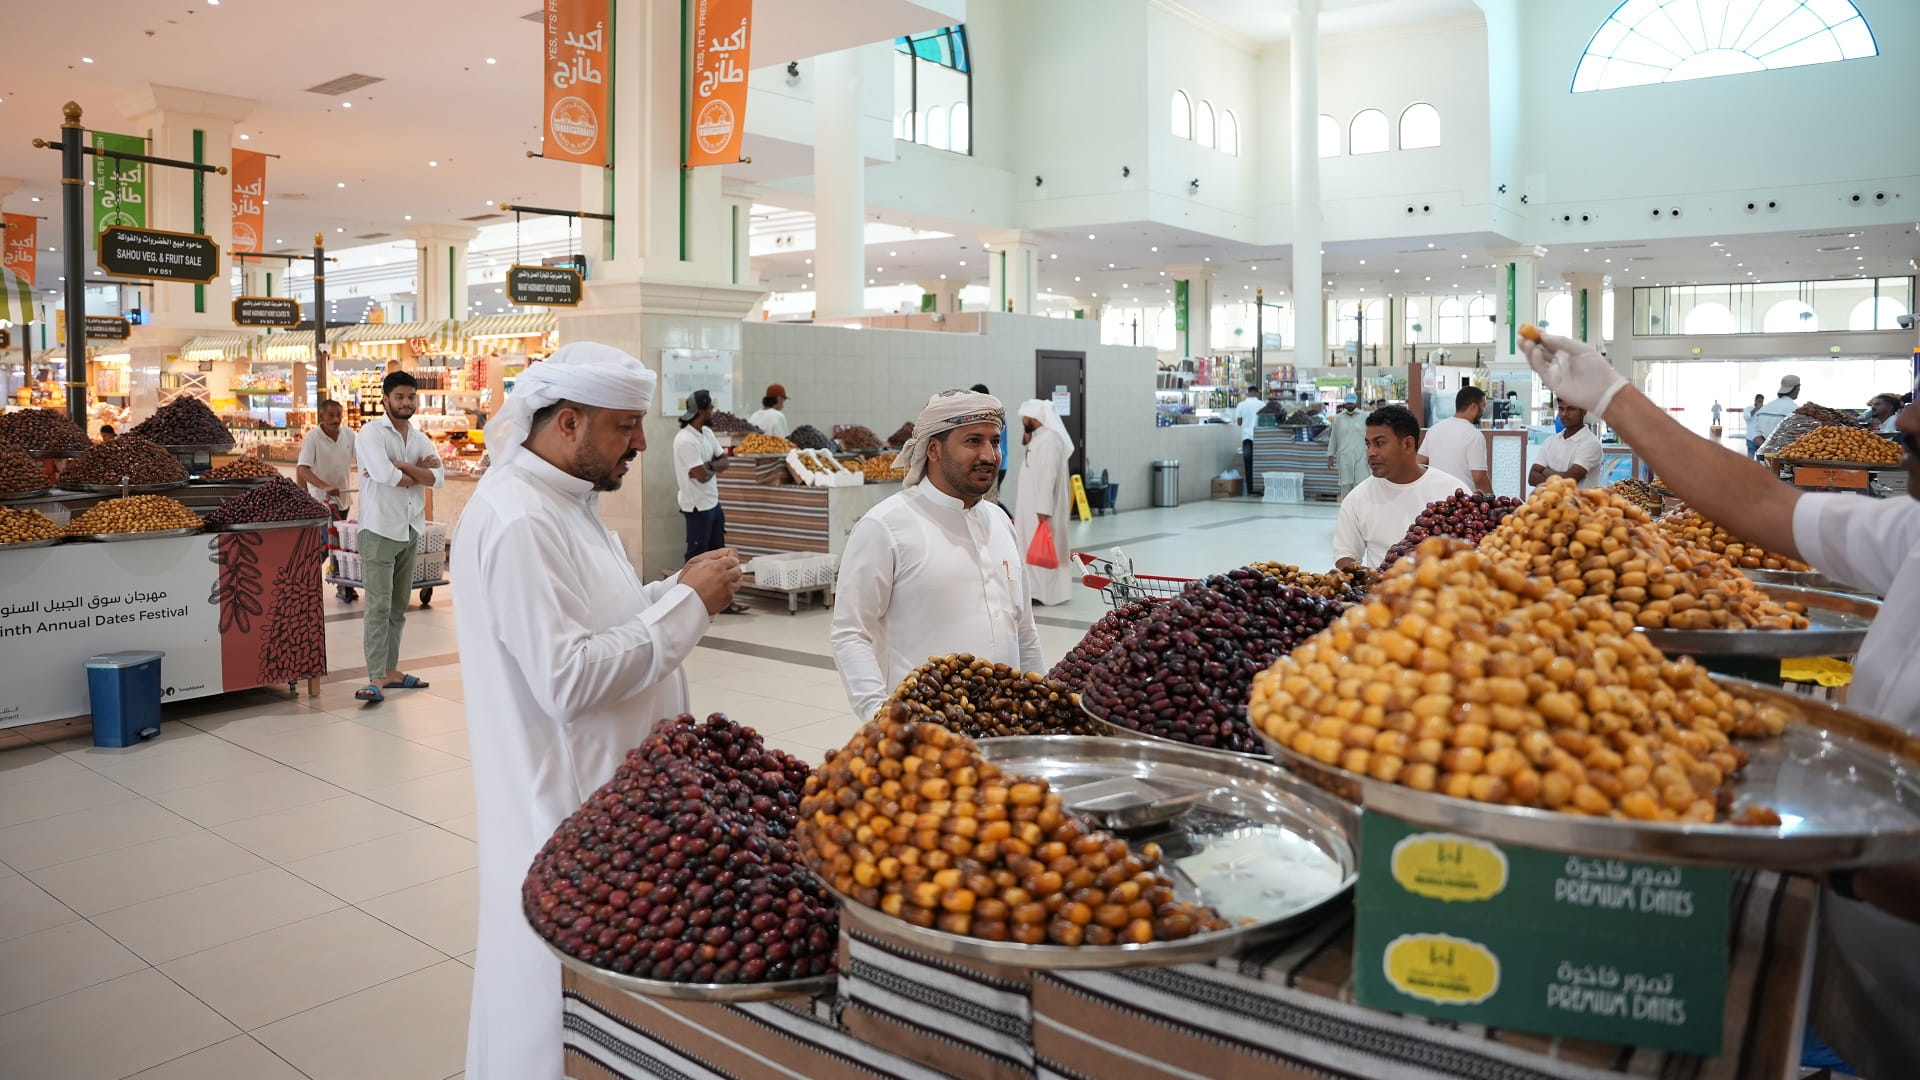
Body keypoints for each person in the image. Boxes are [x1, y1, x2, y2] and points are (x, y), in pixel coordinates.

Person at [1521, 328, 1920, 1080]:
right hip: (1866, 991)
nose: (1903, 423)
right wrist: (1613, 396)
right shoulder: (1912, 533)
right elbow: (1762, 503)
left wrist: (1821, 858)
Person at [453, 341, 744, 1080]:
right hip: (561, 801)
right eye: (626, 426)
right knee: (549, 1002)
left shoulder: (567, 505)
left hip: (606, 798)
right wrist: (687, 609)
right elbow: (568, 678)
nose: (643, 444)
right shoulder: (521, 520)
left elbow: (600, 620)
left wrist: (670, 589)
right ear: (569, 423)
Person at [831, 389, 1043, 719]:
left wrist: (1039, 707)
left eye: (995, 441)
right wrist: (880, 718)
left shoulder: (1001, 521)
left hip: (1005, 728)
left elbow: (1024, 628)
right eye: (973, 441)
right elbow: (850, 633)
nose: (989, 454)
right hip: (925, 735)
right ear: (933, 448)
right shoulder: (886, 526)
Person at [353, 371, 443, 703]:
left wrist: (402, 466)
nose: (406, 403)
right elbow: (383, 475)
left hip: (410, 527)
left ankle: (391, 670)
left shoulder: (419, 437)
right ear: (386, 398)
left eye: (410, 397)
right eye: (400, 397)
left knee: (397, 607)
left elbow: (437, 476)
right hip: (378, 528)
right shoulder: (370, 434)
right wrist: (414, 471)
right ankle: (376, 675)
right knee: (377, 606)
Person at [1332, 405, 1466, 570]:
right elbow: (1345, 555)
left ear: (1408, 444)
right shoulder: (1357, 499)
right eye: (1368, 445)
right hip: (1384, 592)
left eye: (1379, 443)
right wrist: (1374, 580)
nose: (1370, 453)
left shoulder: (1452, 492)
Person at [673, 390, 750, 615]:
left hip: (713, 503)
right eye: (711, 409)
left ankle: (724, 602)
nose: (714, 413)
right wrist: (710, 467)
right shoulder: (685, 439)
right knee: (696, 556)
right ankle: (687, 603)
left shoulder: (706, 433)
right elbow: (701, 476)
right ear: (703, 411)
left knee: (720, 554)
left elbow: (725, 461)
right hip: (696, 506)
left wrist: (709, 466)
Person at [1014, 399, 1074, 605]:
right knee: (1032, 548)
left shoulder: (1050, 440)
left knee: (1044, 550)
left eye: (1025, 417)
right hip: (1031, 506)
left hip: (1041, 509)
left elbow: (1049, 477)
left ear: (1037, 418)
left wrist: (1043, 508)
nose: (1023, 420)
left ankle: (1046, 594)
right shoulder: (1039, 438)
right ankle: (1034, 590)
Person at [1419, 385, 1491, 494]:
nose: (1483, 411)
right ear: (1473, 407)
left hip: (1435, 500)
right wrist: (1492, 500)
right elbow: (1479, 477)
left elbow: (1419, 462)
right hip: (1462, 502)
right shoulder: (1474, 435)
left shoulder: (1434, 429)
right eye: (1483, 406)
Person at [1529, 400, 1604, 490]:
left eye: (1571, 409)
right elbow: (1532, 477)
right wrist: (1559, 478)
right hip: (1548, 502)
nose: (1564, 414)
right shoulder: (1550, 441)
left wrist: (1545, 471)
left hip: (1578, 503)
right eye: (1561, 409)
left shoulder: (1591, 443)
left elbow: (1566, 483)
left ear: (1584, 411)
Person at [1326, 393, 1369, 499]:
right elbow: (1333, 438)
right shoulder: (1338, 418)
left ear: (1355, 403)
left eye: (1351, 403)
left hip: (1362, 455)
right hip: (1344, 456)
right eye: (1348, 403)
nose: (1350, 405)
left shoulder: (1365, 416)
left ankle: (1362, 507)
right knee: (1346, 484)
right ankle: (1346, 509)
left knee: (1363, 482)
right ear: (1344, 404)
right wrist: (1330, 455)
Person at [972, 383, 1010, 502]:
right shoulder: (995, 414)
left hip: (995, 464)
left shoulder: (990, 416)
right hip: (1000, 463)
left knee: (989, 500)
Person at [1749, 374, 1802, 451]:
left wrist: (1768, 449)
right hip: (1785, 457)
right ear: (1796, 388)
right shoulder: (1795, 410)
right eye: (1799, 387)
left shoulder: (1763, 409)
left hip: (1764, 455)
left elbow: (1756, 436)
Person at [1234, 385, 1264, 491]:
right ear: (1257, 393)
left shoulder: (1241, 405)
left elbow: (1239, 422)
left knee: (1248, 463)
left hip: (1247, 437)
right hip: (1259, 437)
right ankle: (1260, 486)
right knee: (1260, 462)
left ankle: (1250, 488)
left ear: (1247, 393)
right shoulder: (1262, 404)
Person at [1744, 392, 1767, 457]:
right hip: (1750, 438)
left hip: (1760, 438)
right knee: (1750, 460)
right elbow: (1747, 417)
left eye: (1762, 402)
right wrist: (1756, 408)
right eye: (1759, 401)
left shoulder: (1764, 410)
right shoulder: (1748, 408)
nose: (1761, 403)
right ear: (1755, 401)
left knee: (1760, 460)